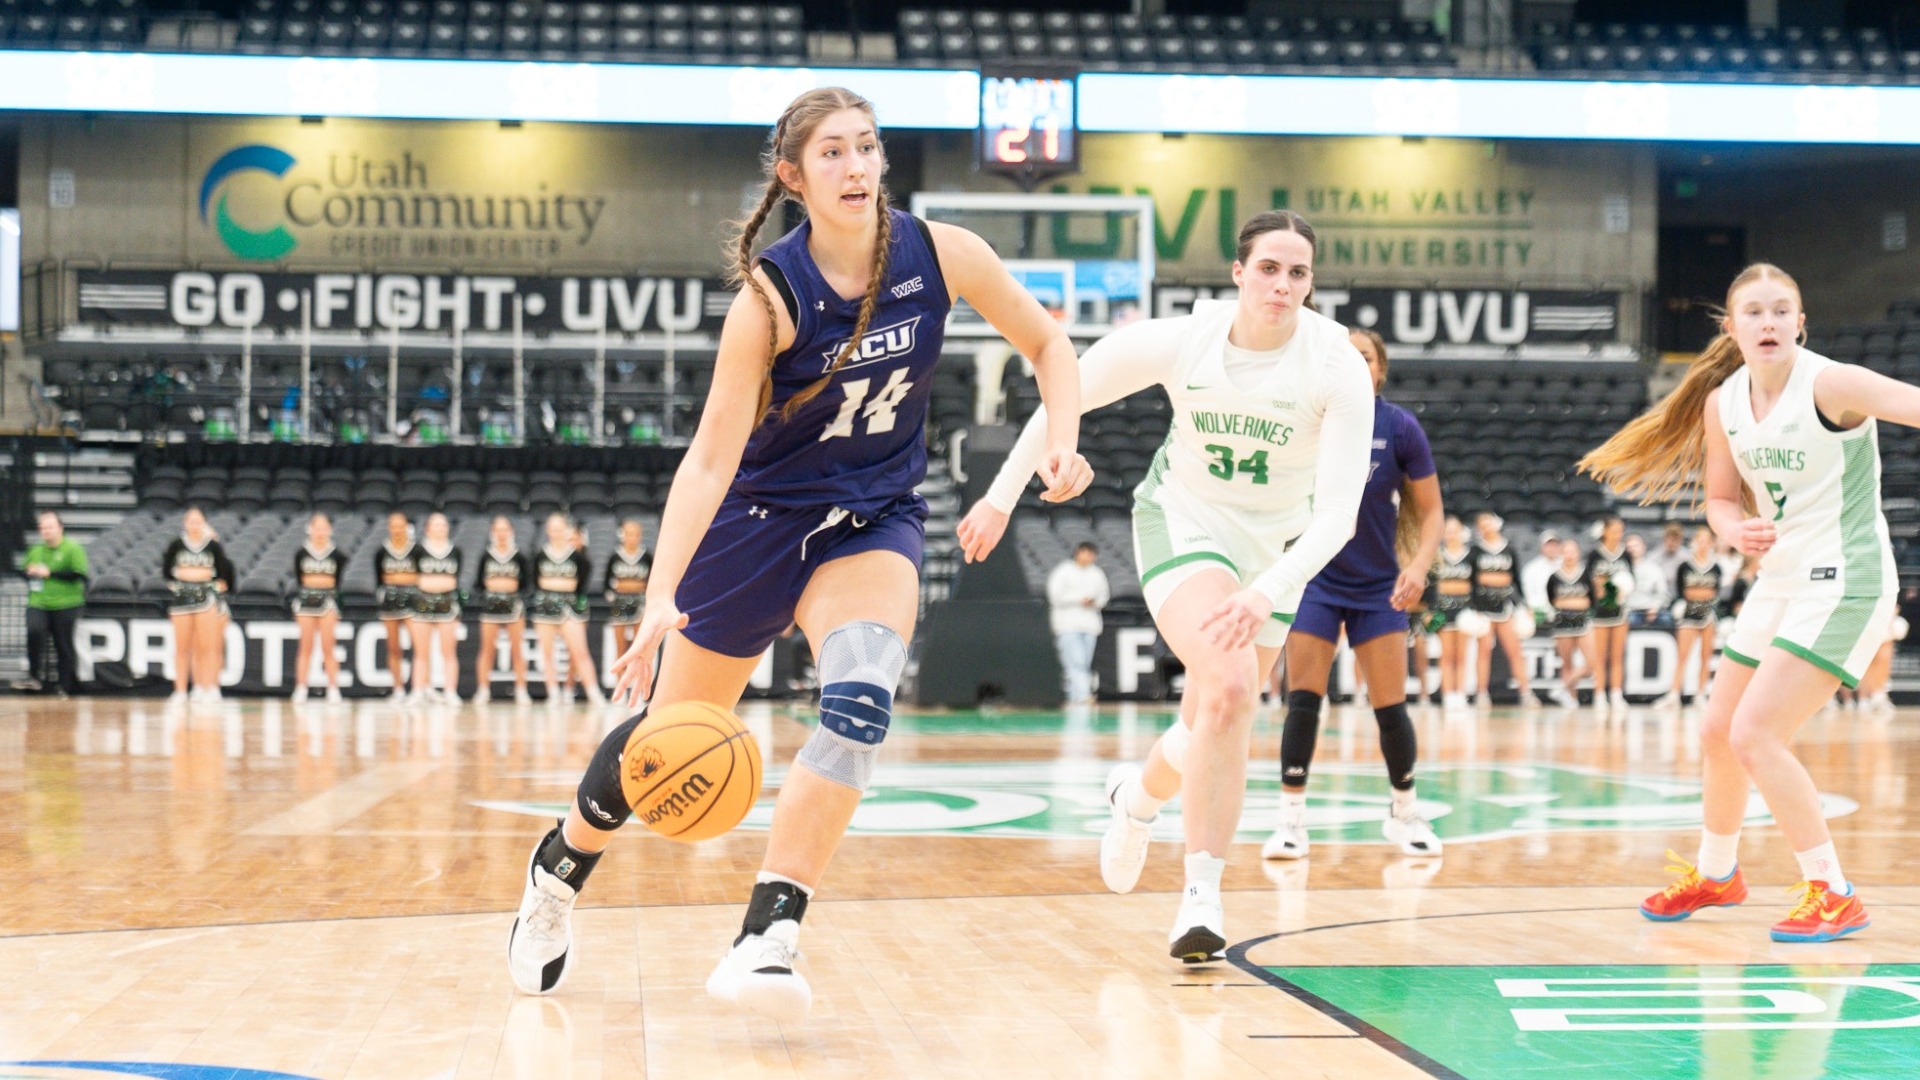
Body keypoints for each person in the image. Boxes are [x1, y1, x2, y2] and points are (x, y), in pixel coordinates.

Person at [505, 87, 1087, 1017]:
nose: (856, 167)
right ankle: (560, 869)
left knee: (860, 699)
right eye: (833, 154)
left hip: (873, 519)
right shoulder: (770, 301)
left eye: (867, 148)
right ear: (794, 176)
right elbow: (707, 460)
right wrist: (659, 596)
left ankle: (769, 931)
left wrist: (1061, 438)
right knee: (665, 742)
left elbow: (1052, 344)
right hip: (759, 523)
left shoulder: (943, 253)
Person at [970, 209, 1372, 963]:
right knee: (1225, 684)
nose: (1282, 285)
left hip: (1279, 547)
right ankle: (1202, 895)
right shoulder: (1185, 339)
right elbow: (1069, 391)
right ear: (1238, 273)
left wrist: (1266, 590)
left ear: (1311, 284)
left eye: (1298, 273)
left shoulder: (1336, 363)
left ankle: (1138, 798)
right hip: (1184, 521)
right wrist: (1000, 495)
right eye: (1268, 269)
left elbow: (1341, 516)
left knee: (1212, 717)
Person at [1582, 262, 1911, 943]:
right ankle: (1718, 873)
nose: (1768, 322)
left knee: (1755, 735)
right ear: (1731, 329)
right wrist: (1735, 529)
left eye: (1781, 310)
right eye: (1754, 312)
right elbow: (1721, 500)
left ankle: (1832, 890)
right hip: (1782, 578)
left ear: (1800, 322)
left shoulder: (1832, 383)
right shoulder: (1723, 400)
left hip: (1845, 577)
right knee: (1716, 733)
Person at [1262, 327, 1442, 862]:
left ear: (1380, 369)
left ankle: (1405, 812)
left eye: (1365, 356)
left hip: (1376, 586)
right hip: (1315, 580)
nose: (1355, 363)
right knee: (1304, 701)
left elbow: (1431, 512)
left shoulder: (1399, 426)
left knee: (1391, 707)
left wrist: (1418, 565)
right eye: (1345, 356)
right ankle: (1291, 821)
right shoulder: (1306, 419)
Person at [528, 512, 604, 707]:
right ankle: (553, 693)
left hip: (569, 605)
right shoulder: (540, 555)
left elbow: (582, 581)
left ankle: (593, 692)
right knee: (547, 652)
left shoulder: (577, 557)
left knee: (579, 651)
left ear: (566, 530)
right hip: (545, 605)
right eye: (552, 529)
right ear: (547, 531)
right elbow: (535, 579)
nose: (556, 532)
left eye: (559, 529)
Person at [162, 506, 234, 703]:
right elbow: (167, 572)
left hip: (207, 599)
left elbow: (222, 575)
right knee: (182, 647)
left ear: (204, 524)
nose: (194, 525)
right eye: (191, 521)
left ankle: (209, 688)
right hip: (182, 599)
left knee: (207, 646)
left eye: (198, 521)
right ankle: (180, 690)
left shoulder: (213, 547)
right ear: (185, 523)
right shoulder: (176, 545)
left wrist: (195, 575)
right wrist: (188, 576)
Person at [17, 510, 88, 696]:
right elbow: (24, 572)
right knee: (34, 631)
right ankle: (34, 677)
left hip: (66, 603)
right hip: (39, 601)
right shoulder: (35, 550)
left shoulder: (73, 548)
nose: (45, 531)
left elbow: (79, 574)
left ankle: (65, 685)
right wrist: (29, 573)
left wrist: (50, 574)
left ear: (60, 528)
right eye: (42, 527)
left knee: (62, 644)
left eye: (50, 527)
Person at [1655, 526, 1723, 709]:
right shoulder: (1685, 566)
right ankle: (1674, 694)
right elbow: (1680, 590)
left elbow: (1715, 591)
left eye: (1707, 541)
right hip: (1689, 612)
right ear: (1694, 542)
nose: (1703, 545)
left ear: (1711, 544)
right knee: (1682, 656)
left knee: (1705, 656)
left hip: (1708, 613)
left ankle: (1700, 694)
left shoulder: (1716, 567)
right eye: (1699, 541)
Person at [1471, 512, 1532, 707]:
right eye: (1482, 525)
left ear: (1497, 524)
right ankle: (1481, 694)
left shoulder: (1509, 550)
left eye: (1489, 523)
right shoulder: (1475, 551)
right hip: (1483, 608)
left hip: (1506, 607)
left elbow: (1516, 580)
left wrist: (1524, 605)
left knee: (1514, 650)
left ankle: (1526, 692)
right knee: (1483, 651)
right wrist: (1474, 608)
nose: (1486, 527)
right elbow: (1473, 582)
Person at [474, 515, 533, 704]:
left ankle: (521, 690)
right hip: (491, 606)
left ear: (511, 532)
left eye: (505, 529)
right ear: (492, 533)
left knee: (517, 650)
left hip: (513, 606)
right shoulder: (486, 556)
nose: (501, 533)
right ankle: (483, 689)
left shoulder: (518, 556)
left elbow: (526, 584)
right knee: (487, 650)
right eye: (498, 529)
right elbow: (478, 583)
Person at [1047, 541, 1110, 705]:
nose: (1089, 557)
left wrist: (1093, 601)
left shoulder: (1097, 573)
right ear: (1078, 552)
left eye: (1092, 554)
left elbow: (1104, 597)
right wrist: (1078, 600)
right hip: (1068, 624)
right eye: (1086, 552)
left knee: (1083, 662)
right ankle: (1083, 695)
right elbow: (1055, 596)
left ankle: (1074, 696)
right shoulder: (1063, 571)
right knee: (1077, 661)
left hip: (1089, 625)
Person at [290, 512, 344, 703]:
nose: (320, 532)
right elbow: (298, 577)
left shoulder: (337, 554)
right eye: (316, 528)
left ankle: (333, 688)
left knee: (329, 646)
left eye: (323, 528)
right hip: (306, 599)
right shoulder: (302, 553)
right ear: (310, 530)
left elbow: (340, 579)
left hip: (328, 599)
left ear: (329, 530)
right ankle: (301, 687)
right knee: (305, 646)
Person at [410, 512, 463, 704]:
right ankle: (418, 691)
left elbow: (457, 577)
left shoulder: (455, 550)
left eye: (443, 525)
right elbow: (413, 576)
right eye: (436, 525)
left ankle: (450, 691)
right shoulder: (418, 550)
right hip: (423, 602)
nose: (440, 528)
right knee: (421, 653)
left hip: (447, 603)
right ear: (428, 528)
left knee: (448, 651)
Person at [1586, 516, 1633, 711]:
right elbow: (1591, 583)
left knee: (1617, 655)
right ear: (1604, 531)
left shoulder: (1626, 555)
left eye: (1620, 530)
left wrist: (1619, 589)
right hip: (1599, 611)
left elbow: (1630, 581)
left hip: (1620, 610)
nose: (1618, 533)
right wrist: (1606, 587)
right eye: (1614, 529)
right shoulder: (1594, 555)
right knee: (1600, 656)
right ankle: (1598, 694)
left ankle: (1615, 694)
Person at [1429, 517, 1476, 712]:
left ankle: (1460, 693)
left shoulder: (1470, 556)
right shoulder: (1437, 555)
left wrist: (1476, 609)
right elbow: (1431, 585)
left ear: (1462, 533)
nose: (1452, 535)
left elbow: (1476, 584)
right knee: (1446, 654)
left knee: (1462, 655)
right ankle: (1448, 695)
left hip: (1464, 610)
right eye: (1448, 531)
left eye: (1455, 530)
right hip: (1444, 609)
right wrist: (1430, 611)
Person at [1546, 538, 1599, 708]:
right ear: (1561, 554)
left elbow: (1592, 598)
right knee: (1567, 662)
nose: (1569, 555)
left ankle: (1561, 687)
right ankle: (1571, 698)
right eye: (1566, 551)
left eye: (1572, 551)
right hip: (1563, 622)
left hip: (1582, 620)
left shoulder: (1585, 575)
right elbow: (1551, 599)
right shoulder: (1554, 577)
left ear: (1578, 554)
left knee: (1592, 662)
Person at [374, 512, 419, 699]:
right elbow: (380, 578)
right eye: (394, 526)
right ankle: (398, 688)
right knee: (394, 647)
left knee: (419, 646)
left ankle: (420, 688)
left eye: (401, 525)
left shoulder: (416, 550)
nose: (397, 529)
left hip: (413, 600)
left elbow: (420, 575)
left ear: (406, 527)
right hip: (390, 600)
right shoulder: (382, 552)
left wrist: (402, 578)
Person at [605, 518, 653, 668]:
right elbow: (607, 582)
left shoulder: (646, 557)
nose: (632, 538)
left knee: (639, 647)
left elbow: (652, 579)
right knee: (620, 648)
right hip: (620, 601)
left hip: (640, 601)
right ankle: (620, 687)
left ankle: (638, 688)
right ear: (622, 535)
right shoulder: (615, 556)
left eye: (635, 534)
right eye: (629, 534)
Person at [1625, 532, 1670, 630]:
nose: (1632, 549)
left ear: (1643, 547)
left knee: (1666, 619)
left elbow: (1663, 592)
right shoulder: (1622, 569)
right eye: (1629, 547)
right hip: (1630, 610)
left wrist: (1655, 607)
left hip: (1652, 609)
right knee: (1629, 620)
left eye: (1636, 546)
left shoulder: (1654, 569)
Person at [1520, 531, 1561, 620]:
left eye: (1555, 545)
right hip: (1539, 609)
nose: (1552, 548)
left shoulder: (1565, 566)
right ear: (1542, 547)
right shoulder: (1531, 568)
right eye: (1549, 545)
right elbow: (1527, 593)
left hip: (1561, 608)